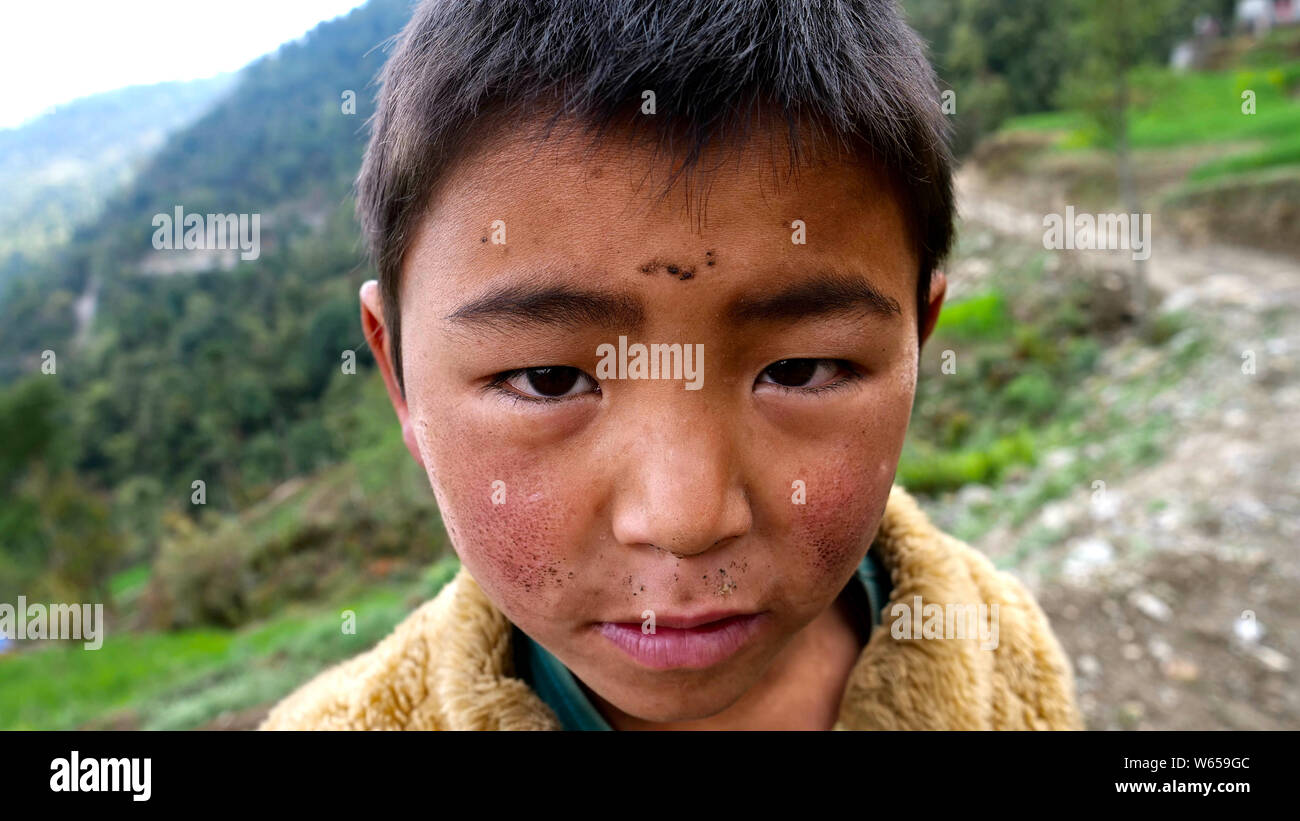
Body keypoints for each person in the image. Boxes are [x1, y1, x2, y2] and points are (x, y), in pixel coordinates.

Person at [261, 0, 1082, 731]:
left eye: (798, 370)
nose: (685, 518)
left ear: (918, 338)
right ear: (400, 376)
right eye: (550, 379)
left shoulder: (1003, 653)